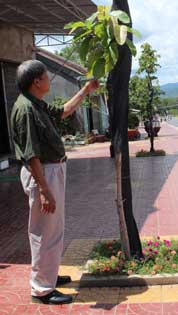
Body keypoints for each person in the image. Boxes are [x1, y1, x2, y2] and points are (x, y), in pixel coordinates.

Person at [11, 60, 99, 304]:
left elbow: (64, 111)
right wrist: (43, 189)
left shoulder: (36, 104)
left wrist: (85, 90)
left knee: (53, 229)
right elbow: (31, 154)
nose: (49, 80)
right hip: (43, 174)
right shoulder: (26, 109)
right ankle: (41, 289)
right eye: (46, 76)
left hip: (51, 171)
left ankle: (48, 275)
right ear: (37, 82)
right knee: (43, 231)